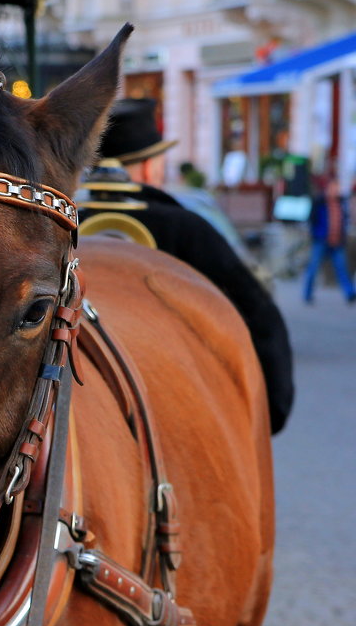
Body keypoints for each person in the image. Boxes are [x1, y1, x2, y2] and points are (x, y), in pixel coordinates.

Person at [85, 98, 279, 626]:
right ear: (145, 167)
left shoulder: (36, 222)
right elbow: (272, 366)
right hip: (180, 478)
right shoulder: (187, 232)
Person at [84, 97, 294, 435]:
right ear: (150, 166)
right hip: (173, 403)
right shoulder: (186, 227)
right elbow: (256, 311)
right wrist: (272, 408)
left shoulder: (57, 223)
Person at [301, 174, 356, 304]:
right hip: (321, 240)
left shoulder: (341, 202)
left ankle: (349, 293)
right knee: (313, 268)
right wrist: (314, 234)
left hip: (337, 241)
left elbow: (344, 220)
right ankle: (307, 294)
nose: (336, 190)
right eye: (333, 187)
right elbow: (312, 220)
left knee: (342, 268)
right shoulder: (320, 202)